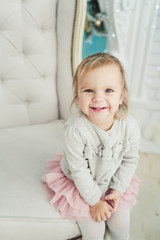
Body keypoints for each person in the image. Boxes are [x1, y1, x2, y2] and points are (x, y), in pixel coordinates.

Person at [42, 52, 140, 240]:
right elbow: (78, 170)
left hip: (112, 179)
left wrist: (117, 189)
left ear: (121, 96)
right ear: (78, 95)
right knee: (94, 232)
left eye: (108, 90)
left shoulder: (129, 126)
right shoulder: (75, 130)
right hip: (81, 184)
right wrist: (95, 202)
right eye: (89, 91)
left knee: (121, 226)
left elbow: (130, 159)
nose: (98, 98)